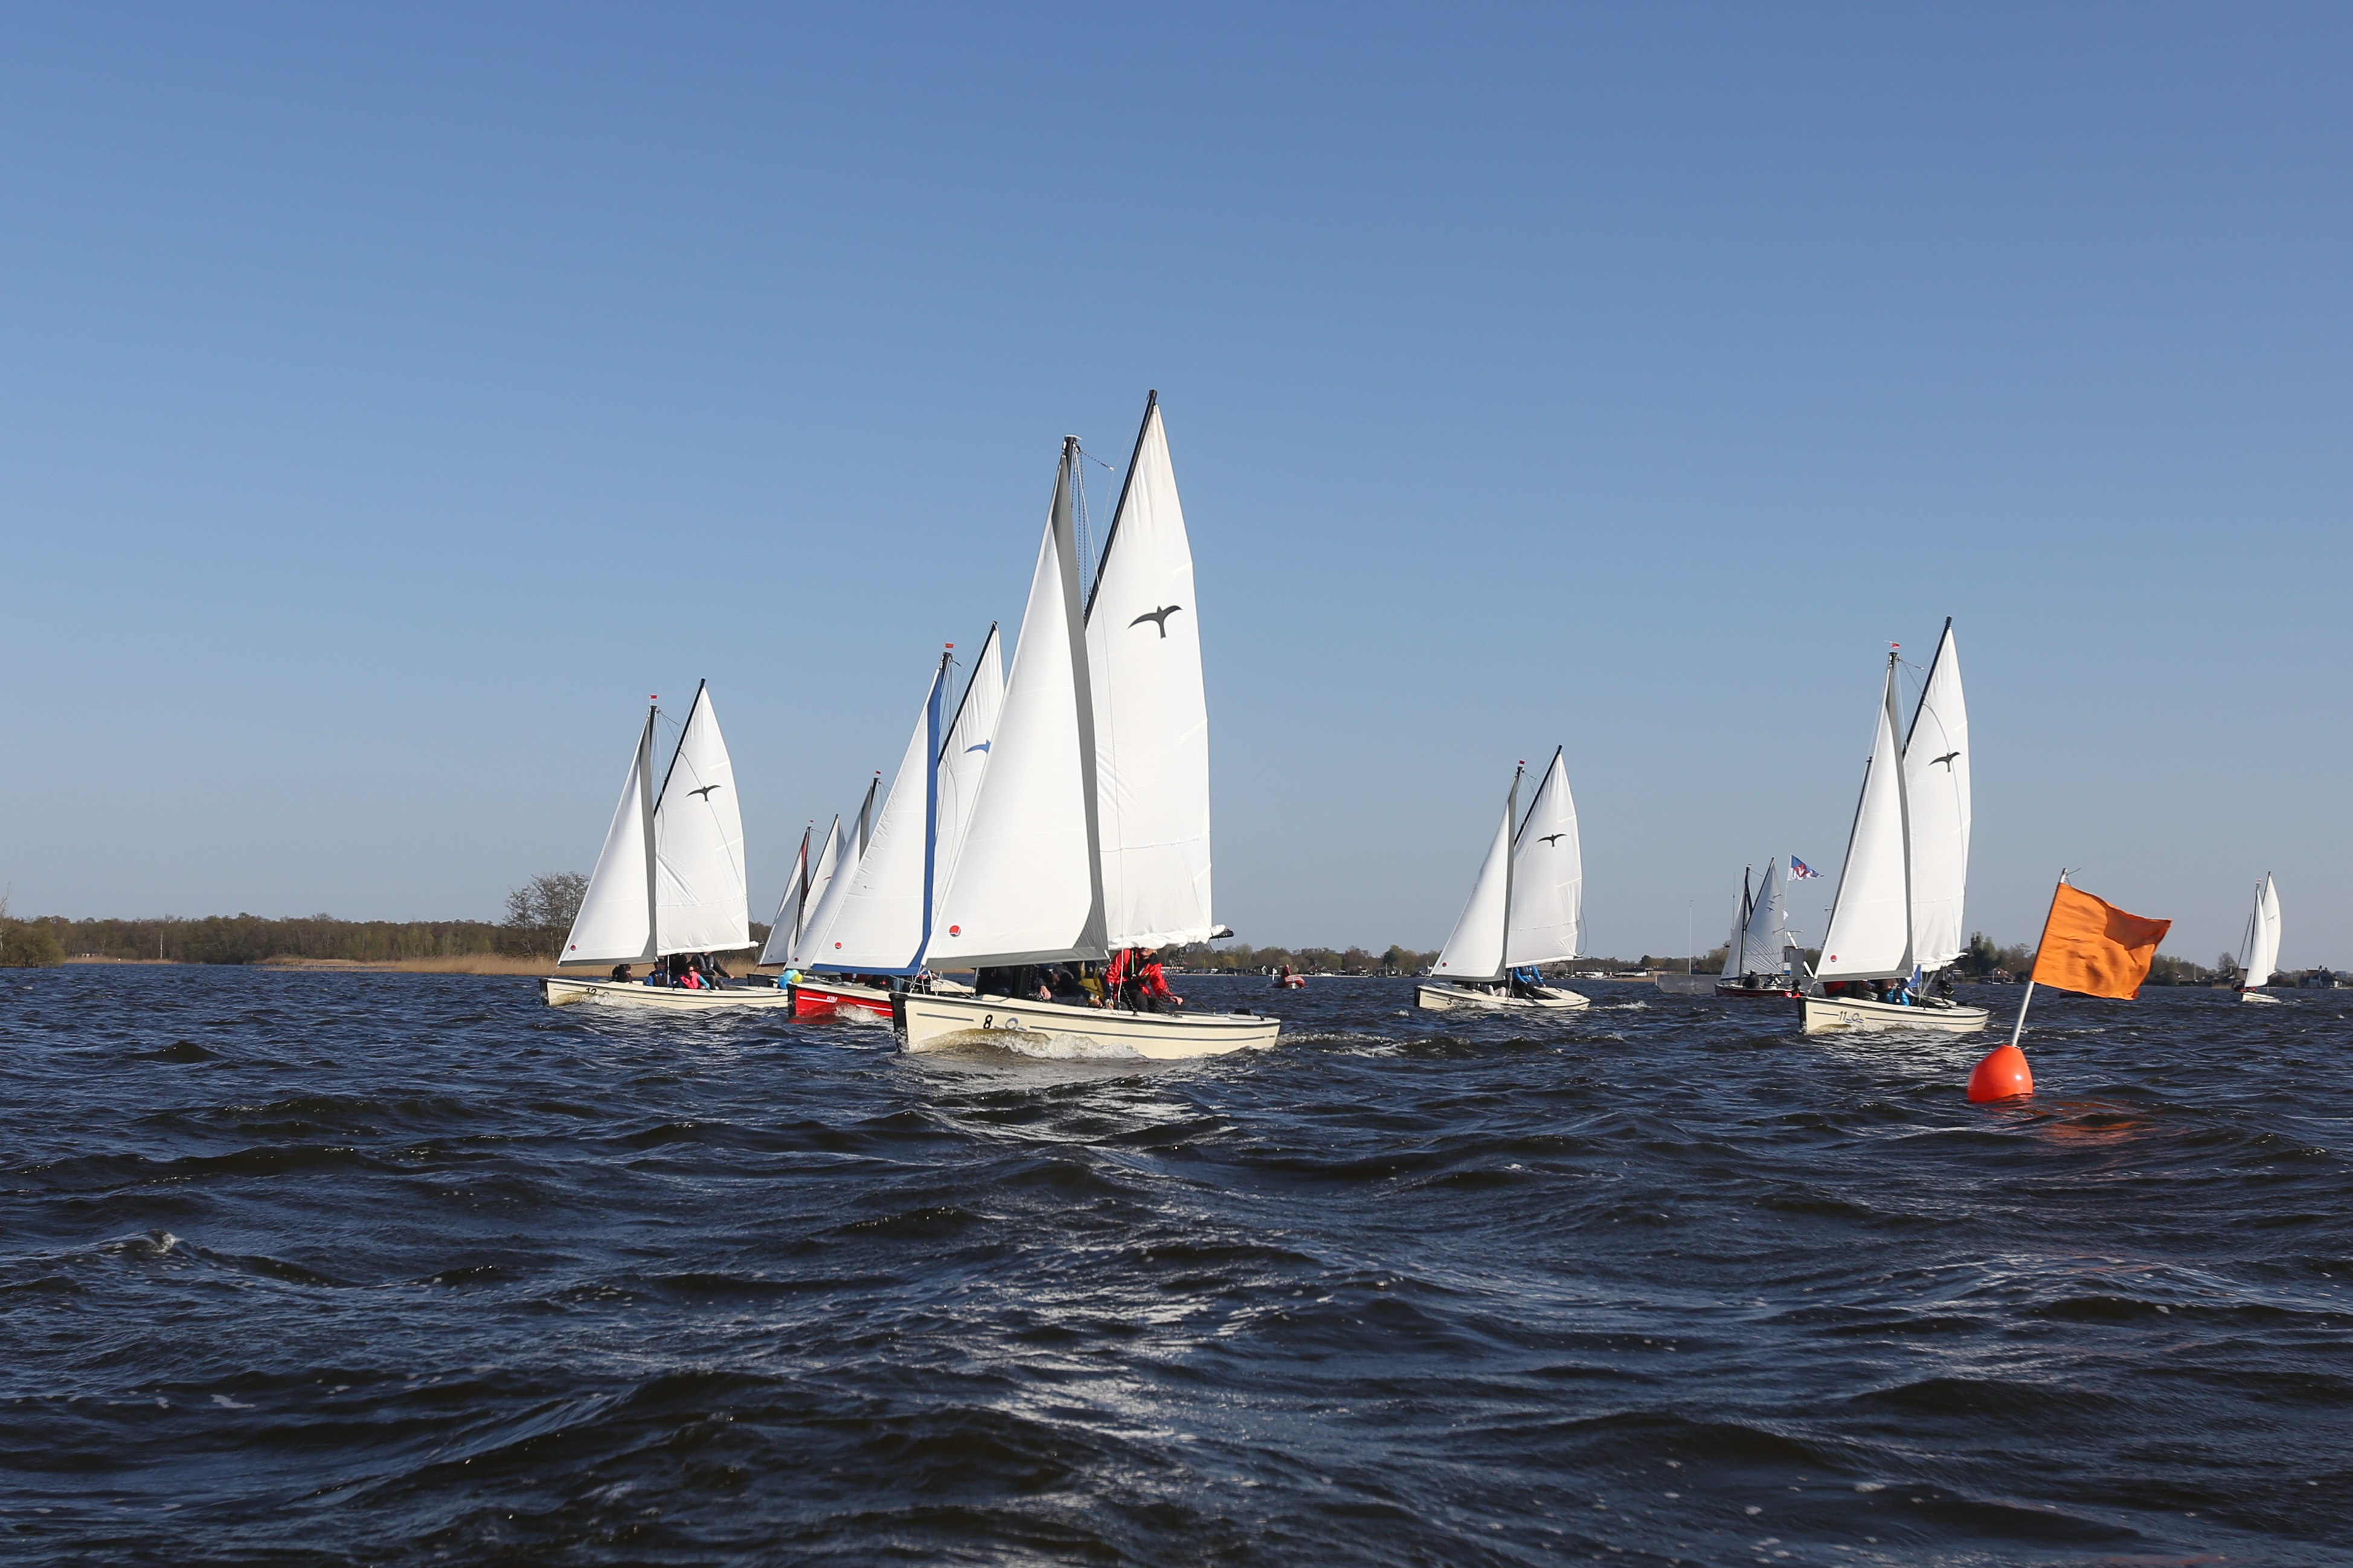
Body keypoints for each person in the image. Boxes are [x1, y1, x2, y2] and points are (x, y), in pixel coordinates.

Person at [1134, 949, 1182, 1013]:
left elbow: (1159, 985)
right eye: (1144, 944)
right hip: (1122, 990)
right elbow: (1115, 973)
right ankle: (1143, 1019)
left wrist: (1169, 997)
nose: (1145, 948)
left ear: (1154, 950)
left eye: (1149, 946)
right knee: (1140, 998)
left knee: (1156, 1003)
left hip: (1138, 991)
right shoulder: (1127, 955)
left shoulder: (1155, 964)